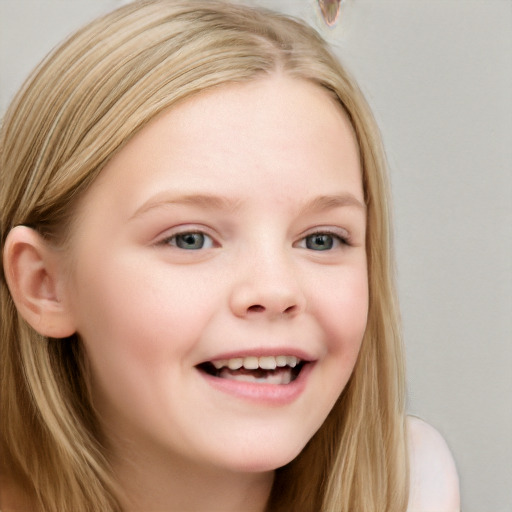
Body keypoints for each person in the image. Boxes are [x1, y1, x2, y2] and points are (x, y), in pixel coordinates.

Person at [0, 1, 460, 511]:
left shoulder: (411, 486)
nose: (275, 290)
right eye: (190, 239)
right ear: (44, 284)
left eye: (321, 240)